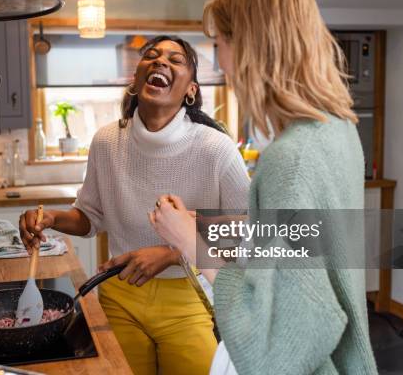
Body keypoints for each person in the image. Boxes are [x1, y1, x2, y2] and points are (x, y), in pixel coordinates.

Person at [150, 0, 378, 375]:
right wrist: (199, 227)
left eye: (219, 43)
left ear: (250, 47)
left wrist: (191, 244)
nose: (218, 61)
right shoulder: (340, 129)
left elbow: (277, 345)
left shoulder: (290, 160)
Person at [19, 35, 250, 375]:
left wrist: (172, 253)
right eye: (152, 56)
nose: (160, 62)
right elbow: (90, 216)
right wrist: (52, 218)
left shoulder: (216, 148)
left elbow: (246, 229)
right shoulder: (107, 141)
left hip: (187, 300)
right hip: (119, 295)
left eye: (176, 60)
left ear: (191, 90)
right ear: (135, 78)